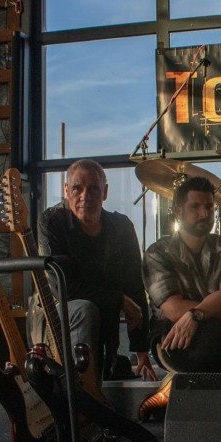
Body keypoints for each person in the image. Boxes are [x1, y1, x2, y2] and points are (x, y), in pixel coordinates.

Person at [139, 176, 221, 418]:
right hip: (169, 334)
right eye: (195, 207)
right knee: (218, 336)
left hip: (216, 336)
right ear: (178, 211)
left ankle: (172, 392)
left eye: (209, 207)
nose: (204, 214)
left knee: (216, 332)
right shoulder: (157, 252)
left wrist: (197, 314)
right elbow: (173, 309)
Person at [31, 158, 157, 385]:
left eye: (93, 188)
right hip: (53, 314)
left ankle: (99, 375)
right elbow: (62, 288)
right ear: (66, 191)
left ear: (105, 192)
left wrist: (141, 350)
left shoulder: (122, 227)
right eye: (77, 188)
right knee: (85, 309)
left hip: (103, 319)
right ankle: (82, 394)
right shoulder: (51, 222)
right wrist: (118, 299)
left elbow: (134, 286)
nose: (85, 196)